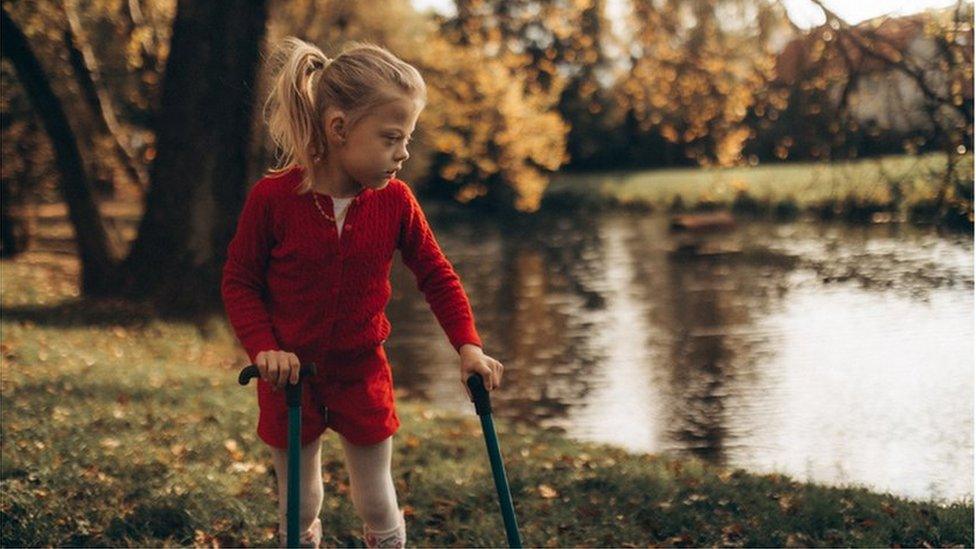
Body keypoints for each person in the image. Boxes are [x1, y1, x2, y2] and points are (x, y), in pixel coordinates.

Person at [220, 37, 505, 548]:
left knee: (377, 497)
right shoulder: (274, 199)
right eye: (392, 137)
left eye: (408, 137)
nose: (404, 153)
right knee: (300, 501)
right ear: (339, 129)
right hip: (289, 378)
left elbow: (436, 274)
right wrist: (265, 348)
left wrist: (468, 345)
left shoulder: (395, 201)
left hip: (362, 369)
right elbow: (240, 280)